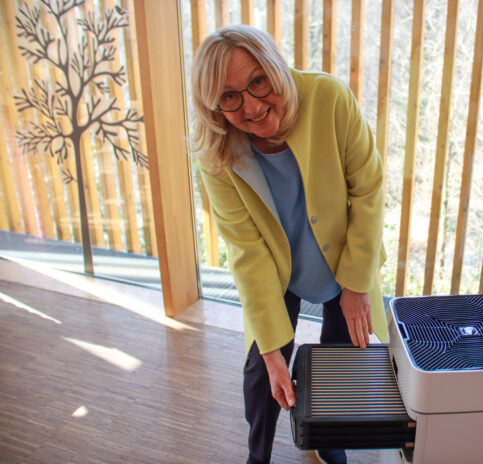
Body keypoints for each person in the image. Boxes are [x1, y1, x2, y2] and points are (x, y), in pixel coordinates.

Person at [191, 24, 388, 464]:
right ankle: (256, 455)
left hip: (343, 261)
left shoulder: (329, 98)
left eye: (258, 81)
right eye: (230, 96)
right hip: (277, 270)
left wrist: (356, 286)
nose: (253, 106)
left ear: (275, 68)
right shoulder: (216, 153)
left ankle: (329, 444)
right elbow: (247, 251)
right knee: (262, 373)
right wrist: (273, 353)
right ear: (214, 107)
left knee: (339, 368)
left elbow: (368, 191)